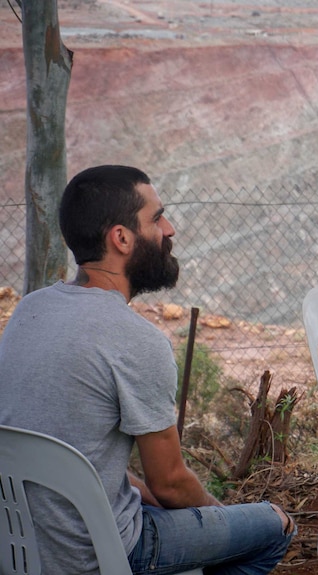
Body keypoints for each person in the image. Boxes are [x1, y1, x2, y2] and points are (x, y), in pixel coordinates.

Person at [0, 165, 296, 575]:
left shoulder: (27, 312)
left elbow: (76, 452)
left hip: (18, 548)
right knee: (274, 525)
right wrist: (218, 518)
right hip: (99, 556)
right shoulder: (135, 340)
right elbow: (171, 485)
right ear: (121, 238)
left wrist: (144, 495)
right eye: (156, 219)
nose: (169, 229)